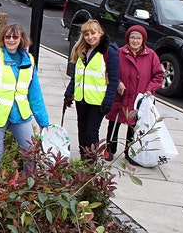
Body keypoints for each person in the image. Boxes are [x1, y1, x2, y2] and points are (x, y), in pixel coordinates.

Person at [0, 24, 49, 174]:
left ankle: (30, 186)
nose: (11, 40)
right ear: (3, 39)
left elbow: (35, 94)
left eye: (15, 37)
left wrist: (43, 122)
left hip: (20, 114)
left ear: (21, 39)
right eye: (8, 36)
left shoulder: (29, 61)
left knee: (30, 152)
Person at [105, 25, 163, 163]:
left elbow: (158, 75)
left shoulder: (151, 55)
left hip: (138, 98)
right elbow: (109, 71)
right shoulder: (119, 53)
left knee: (134, 126)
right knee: (114, 123)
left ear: (143, 40)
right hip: (120, 95)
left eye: (138, 38)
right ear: (127, 39)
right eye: (132, 37)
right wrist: (117, 82)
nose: (135, 41)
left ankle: (129, 152)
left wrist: (149, 90)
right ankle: (109, 149)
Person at [64, 20, 119, 160]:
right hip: (81, 99)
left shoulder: (109, 53)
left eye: (93, 33)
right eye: (86, 34)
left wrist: (108, 102)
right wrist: (69, 94)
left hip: (97, 102)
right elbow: (76, 76)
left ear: (100, 33)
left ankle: (91, 164)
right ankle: (84, 159)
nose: (90, 37)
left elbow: (114, 81)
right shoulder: (82, 51)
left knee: (91, 132)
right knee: (82, 131)